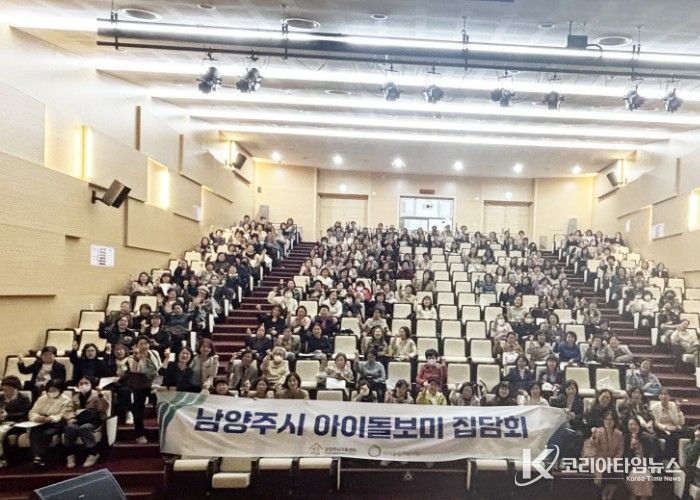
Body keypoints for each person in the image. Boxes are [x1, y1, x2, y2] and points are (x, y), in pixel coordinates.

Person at [64, 376, 109, 468]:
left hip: (93, 420)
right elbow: (68, 410)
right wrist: (70, 418)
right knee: (70, 428)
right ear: (78, 385)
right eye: (81, 383)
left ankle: (93, 453)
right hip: (78, 420)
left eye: (86, 383)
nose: (83, 385)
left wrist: (100, 396)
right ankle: (70, 454)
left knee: (85, 428)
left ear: (91, 384)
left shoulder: (97, 395)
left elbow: (104, 408)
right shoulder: (75, 397)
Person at [27, 379, 74, 467]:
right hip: (41, 422)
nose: (51, 392)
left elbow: (63, 415)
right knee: (34, 431)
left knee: (46, 433)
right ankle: (36, 456)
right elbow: (33, 411)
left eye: (54, 390)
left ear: (60, 390)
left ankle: (42, 456)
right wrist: (37, 417)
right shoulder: (42, 398)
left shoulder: (66, 400)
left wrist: (50, 418)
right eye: (49, 390)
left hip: (56, 424)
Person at [125, 336, 161, 444]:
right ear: (137, 345)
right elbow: (134, 371)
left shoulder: (154, 353)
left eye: (146, 343)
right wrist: (137, 358)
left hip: (154, 385)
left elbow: (159, 369)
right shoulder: (131, 357)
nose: (144, 345)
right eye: (141, 343)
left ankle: (161, 432)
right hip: (140, 385)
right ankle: (139, 434)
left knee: (159, 407)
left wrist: (159, 384)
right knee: (138, 410)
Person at [590, 411, 623, 500]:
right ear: (603, 420)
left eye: (611, 420)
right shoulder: (598, 431)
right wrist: (593, 435)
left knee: (617, 473)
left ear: (614, 421)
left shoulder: (619, 434)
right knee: (604, 473)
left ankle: (609, 494)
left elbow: (620, 451)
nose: (608, 422)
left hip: (613, 461)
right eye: (606, 419)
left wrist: (613, 461)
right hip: (600, 461)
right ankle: (604, 495)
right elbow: (593, 444)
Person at [0, 376, 31, 468]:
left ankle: (2, 458)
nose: (6, 392)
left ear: (16, 388)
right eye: (4, 389)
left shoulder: (23, 398)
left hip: (17, 424)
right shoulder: (1, 397)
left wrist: (7, 416)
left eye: (8, 389)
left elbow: (25, 413)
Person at [650, 388, 690, 459]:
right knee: (672, 438)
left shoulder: (673, 405)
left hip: (675, 429)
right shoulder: (654, 407)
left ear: (669, 396)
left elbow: (681, 422)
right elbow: (656, 423)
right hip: (662, 430)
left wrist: (679, 411)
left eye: (666, 394)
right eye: (662, 394)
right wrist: (666, 428)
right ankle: (670, 459)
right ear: (659, 396)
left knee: (690, 431)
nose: (664, 396)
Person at [623, 418, 657, 500]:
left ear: (639, 426)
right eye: (630, 425)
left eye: (635, 424)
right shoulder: (625, 438)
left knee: (645, 478)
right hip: (631, 467)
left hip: (645, 466)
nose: (633, 427)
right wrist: (631, 447)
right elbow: (624, 457)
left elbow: (653, 452)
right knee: (635, 479)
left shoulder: (646, 437)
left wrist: (648, 463)